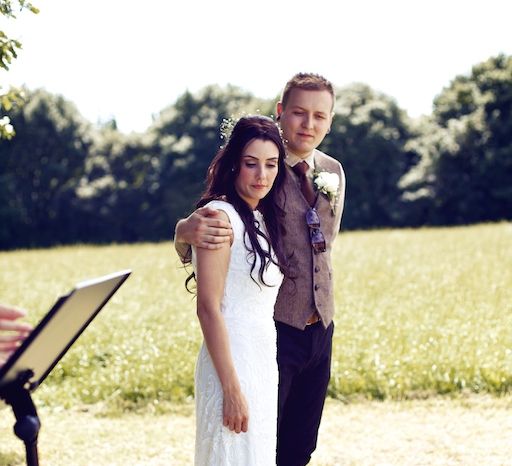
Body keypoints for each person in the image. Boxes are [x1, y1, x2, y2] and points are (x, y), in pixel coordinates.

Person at [175, 73, 346, 465]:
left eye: (320, 116)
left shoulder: (333, 171)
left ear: (330, 121)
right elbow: (212, 226)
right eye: (299, 113)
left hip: (320, 328)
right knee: (255, 446)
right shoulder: (261, 168)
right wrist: (182, 229)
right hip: (273, 328)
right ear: (281, 112)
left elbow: (326, 247)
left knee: (300, 445)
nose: (309, 124)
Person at [188, 115, 290, 465]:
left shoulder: (261, 216)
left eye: (271, 164)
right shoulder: (218, 216)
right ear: (234, 165)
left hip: (262, 357)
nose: (262, 175)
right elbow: (208, 307)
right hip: (230, 362)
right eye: (251, 164)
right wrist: (231, 389)